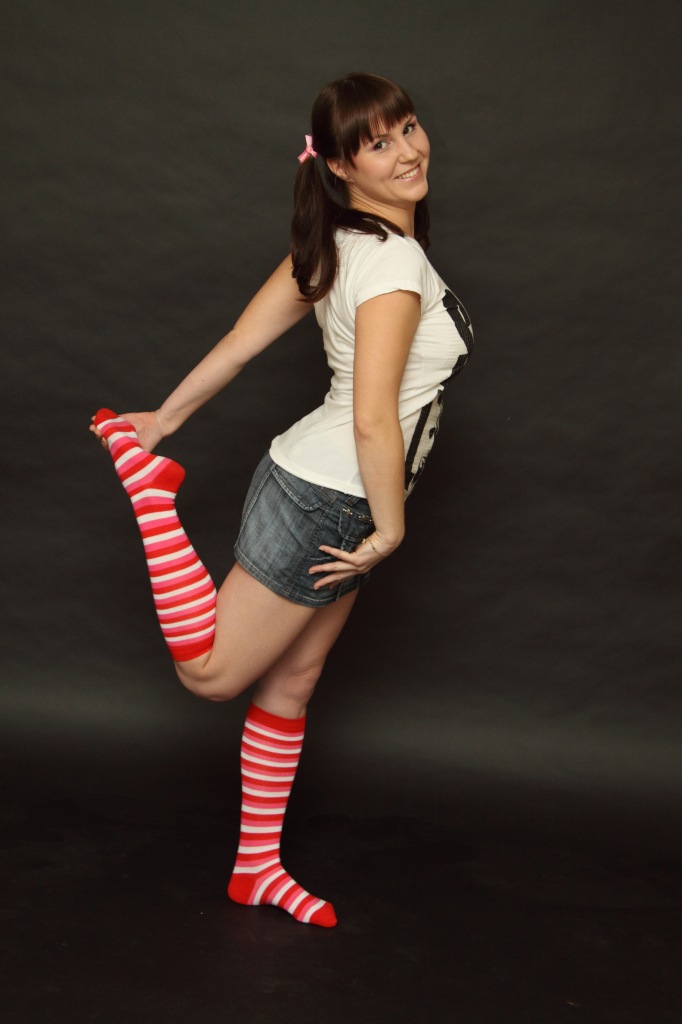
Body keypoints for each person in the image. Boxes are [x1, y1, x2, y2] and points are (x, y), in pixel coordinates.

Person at [90, 72, 473, 928]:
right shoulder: (392, 261)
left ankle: (257, 867)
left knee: (292, 682)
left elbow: (241, 341)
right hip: (336, 496)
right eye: (379, 143)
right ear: (339, 166)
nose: (408, 151)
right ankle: (152, 499)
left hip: (337, 490)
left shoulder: (347, 240)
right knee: (211, 674)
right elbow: (372, 415)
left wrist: (164, 418)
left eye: (409, 128)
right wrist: (391, 526)